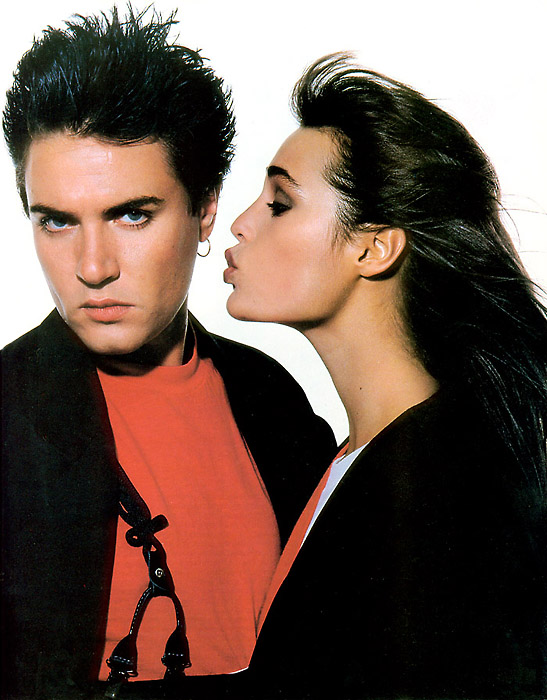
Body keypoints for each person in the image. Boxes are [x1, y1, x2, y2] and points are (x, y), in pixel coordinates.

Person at [0, 10, 337, 700]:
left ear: (205, 209)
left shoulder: (273, 398)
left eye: (132, 214)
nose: (92, 267)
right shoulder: (7, 413)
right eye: (56, 221)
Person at [220, 54, 547, 699]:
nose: (241, 223)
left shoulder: (436, 493)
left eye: (280, 203)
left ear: (372, 248)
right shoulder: (360, 458)